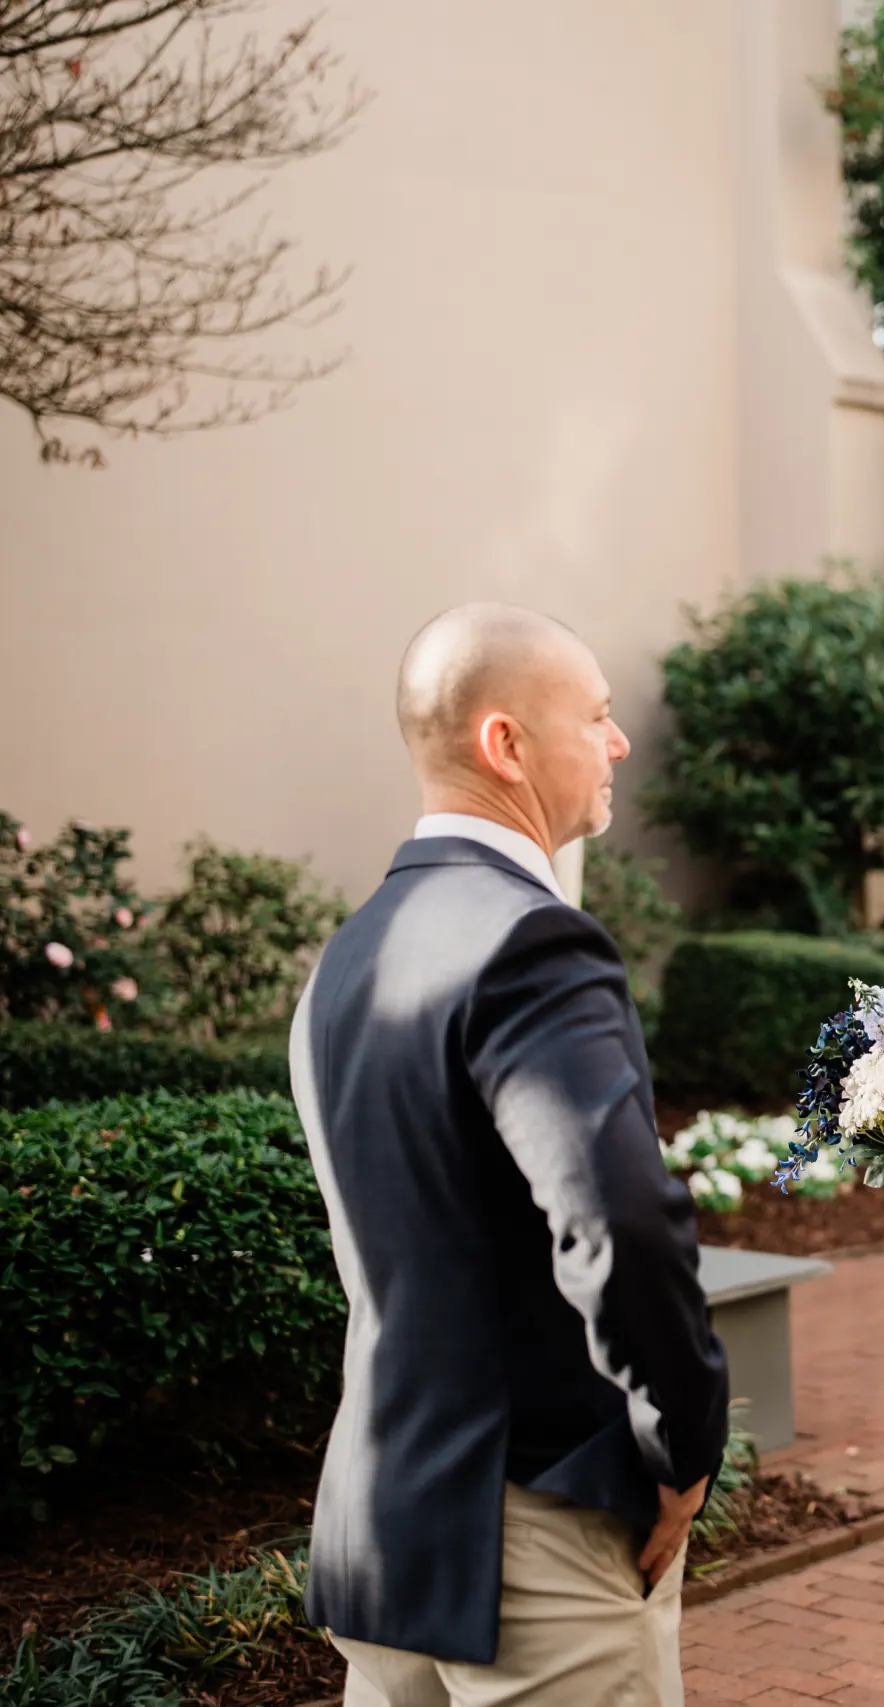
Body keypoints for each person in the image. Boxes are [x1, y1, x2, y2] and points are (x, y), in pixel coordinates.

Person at [291, 604, 729, 1706]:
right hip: (531, 1546)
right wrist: (683, 1447)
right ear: (506, 745)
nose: (618, 742)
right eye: (597, 716)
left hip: (382, 1519)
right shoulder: (532, 939)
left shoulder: (347, 955)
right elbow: (619, 1217)